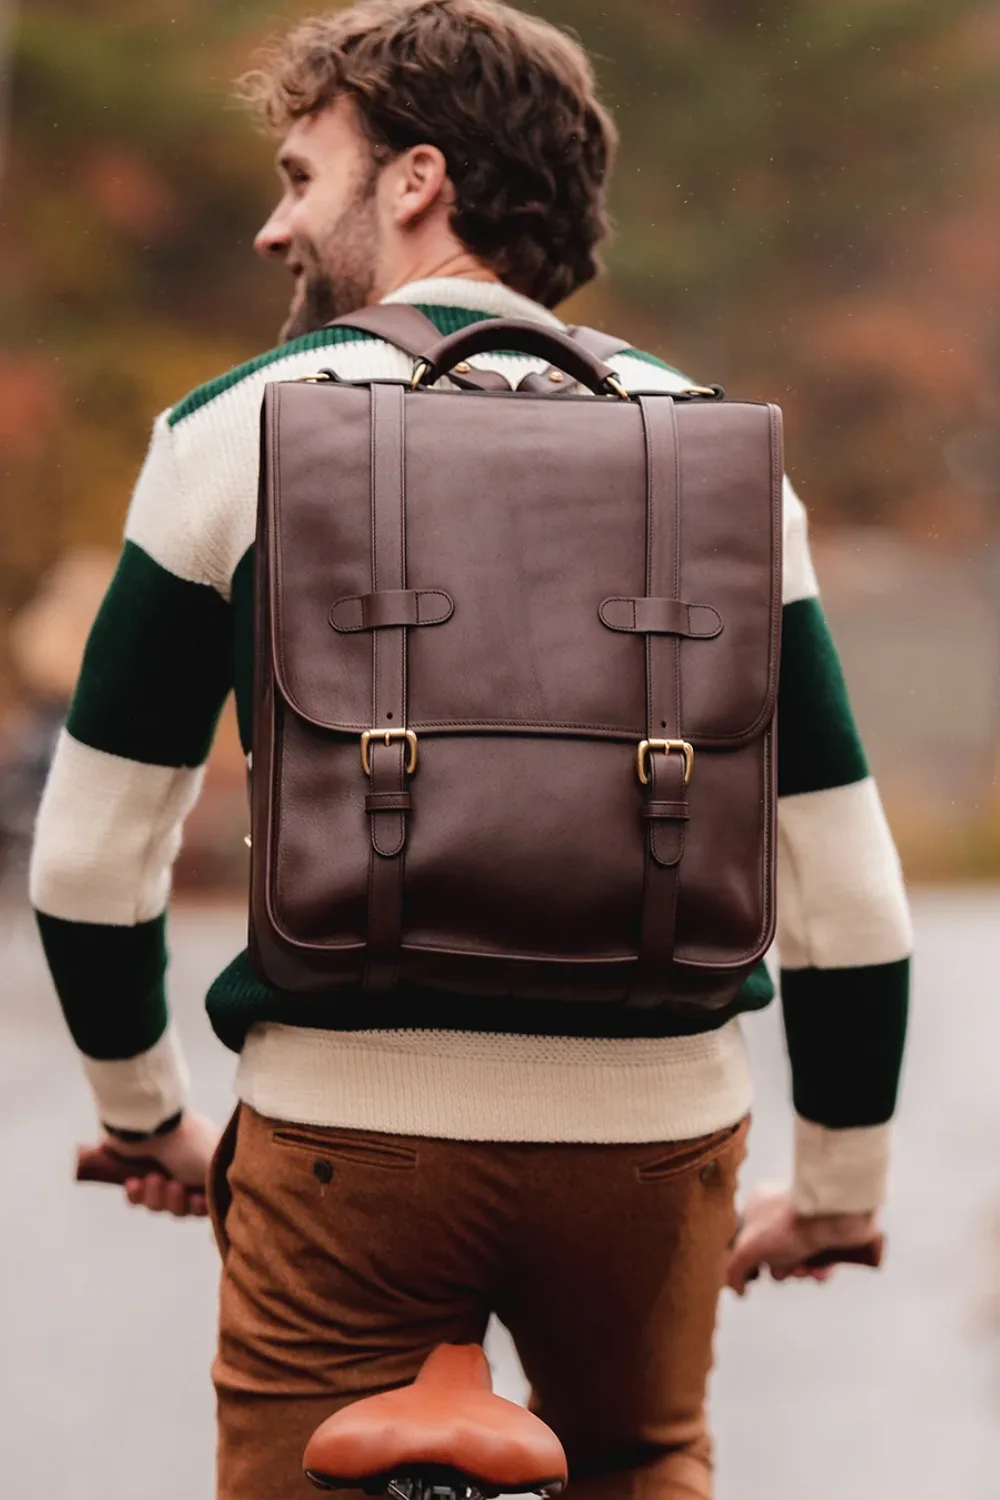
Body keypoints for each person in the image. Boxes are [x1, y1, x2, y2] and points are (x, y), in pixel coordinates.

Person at [29, 3, 912, 1497]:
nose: (273, 227)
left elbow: (85, 859)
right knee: (641, 1457)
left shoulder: (231, 431)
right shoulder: (715, 454)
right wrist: (837, 1192)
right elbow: (847, 889)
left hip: (344, 1142)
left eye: (302, 177)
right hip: (654, 1147)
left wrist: (147, 1121)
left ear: (415, 179)